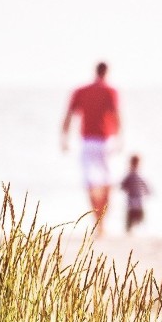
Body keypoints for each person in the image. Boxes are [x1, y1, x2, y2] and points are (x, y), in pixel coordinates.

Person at [61, 62, 121, 236]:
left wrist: (64, 138)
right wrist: (120, 138)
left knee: (91, 183)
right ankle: (102, 222)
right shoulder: (110, 91)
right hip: (105, 140)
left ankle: (98, 221)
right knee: (107, 182)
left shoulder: (81, 91)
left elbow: (68, 115)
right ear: (107, 72)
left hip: (87, 142)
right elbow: (117, 116)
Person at [120, 153, 151, 233]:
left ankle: (136, 229)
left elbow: (122, 186)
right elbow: (123, 185)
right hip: (133, 198)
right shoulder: (131, 175)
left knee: (136, 215)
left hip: (136, 198)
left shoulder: (134, 175)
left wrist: (147, 191)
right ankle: (131, 230)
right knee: (134, 215)